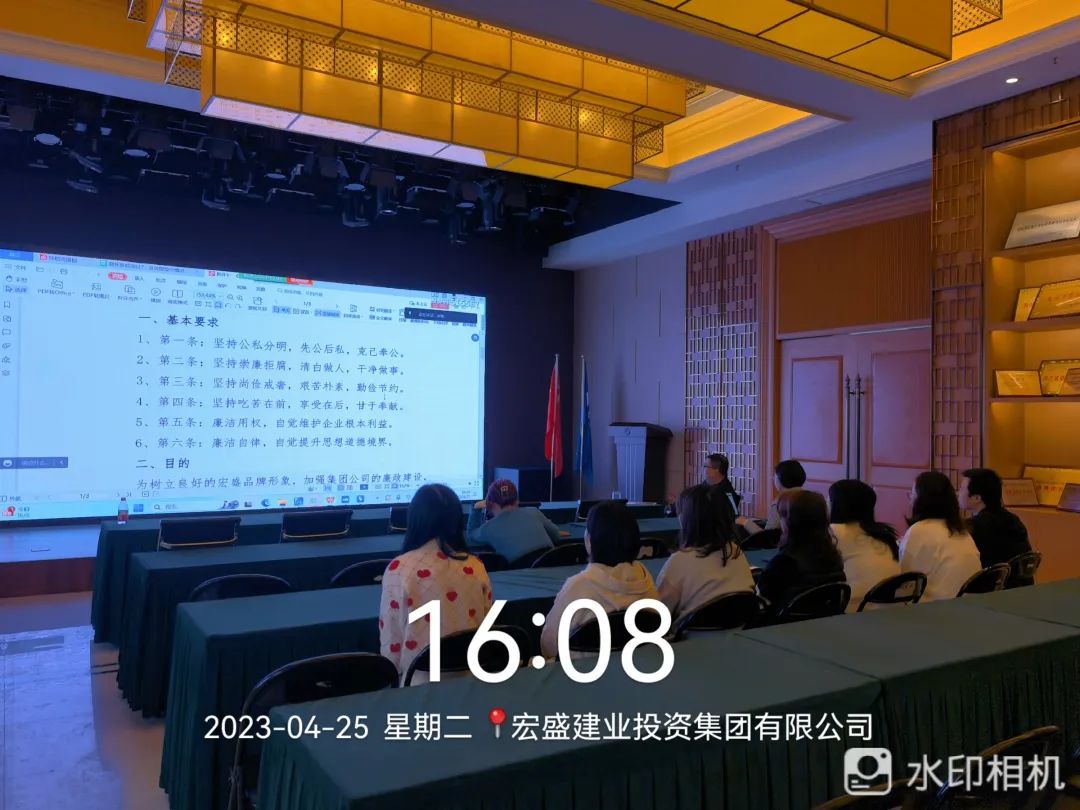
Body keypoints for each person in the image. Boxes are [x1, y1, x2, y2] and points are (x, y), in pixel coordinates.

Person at [380, 484, 493, 680]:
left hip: (418, 682)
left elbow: (392, 643)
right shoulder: (476, 565)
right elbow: (486, 624)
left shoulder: (399, 568)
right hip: (472, 678)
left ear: (415, 519)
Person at [540, 501, 659, 659]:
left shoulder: (577, 587)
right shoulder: (646, 578)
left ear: (590, 541)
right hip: (640, 665)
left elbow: (548, 645)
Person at [656, 484, 755, 622]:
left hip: (690, 634)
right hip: (740, 630)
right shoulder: (736, 552)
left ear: (686, 519)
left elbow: (658, 613)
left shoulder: (679, 561)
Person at [756, 489, 846, 615]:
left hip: (782, 625)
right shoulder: (834, 558)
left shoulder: (783, 563)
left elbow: (761, 604)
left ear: (790, 523)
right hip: (823, 623)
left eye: (782, 516)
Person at [899, 471, 981, 602]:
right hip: (971, 606)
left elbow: (906, 584)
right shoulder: (962, 532)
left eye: (912, 494)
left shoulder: (919, 530)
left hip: (938, 609)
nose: (910, 499)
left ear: (921, 500)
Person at [828, 479, 901, 612]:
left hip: (857, 610)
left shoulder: (835, 531)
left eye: (829, 500)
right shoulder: (883, 534)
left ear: (837, 505)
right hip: (891, 607)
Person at [960, 468, 1033, 584]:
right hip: (1021, 587)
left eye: (962, 489)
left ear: (977, 498)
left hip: (995, 589)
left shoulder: (975, 526)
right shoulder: (1012, 519)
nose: (958, 493)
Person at [466, 479, 558, 564]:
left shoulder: (489, 528)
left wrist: (476, 509)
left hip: (519, 572)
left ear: (490, 504)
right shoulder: (534, 511)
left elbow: (471, 533)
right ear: (517, 500)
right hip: (553, 568)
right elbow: (556, 534)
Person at [737, 458, 806, 541]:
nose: (773, 478)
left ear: (781, 478)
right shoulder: (812, 499)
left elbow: (767, 537)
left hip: (786, 546)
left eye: (774, 475)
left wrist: (745, 522)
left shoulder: (780, 503)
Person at [704, 453, 741, 521]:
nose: (705, 469)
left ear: (717, 469)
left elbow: (735, 516)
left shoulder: (728, 494)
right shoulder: (703, 485)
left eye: (706, 466)